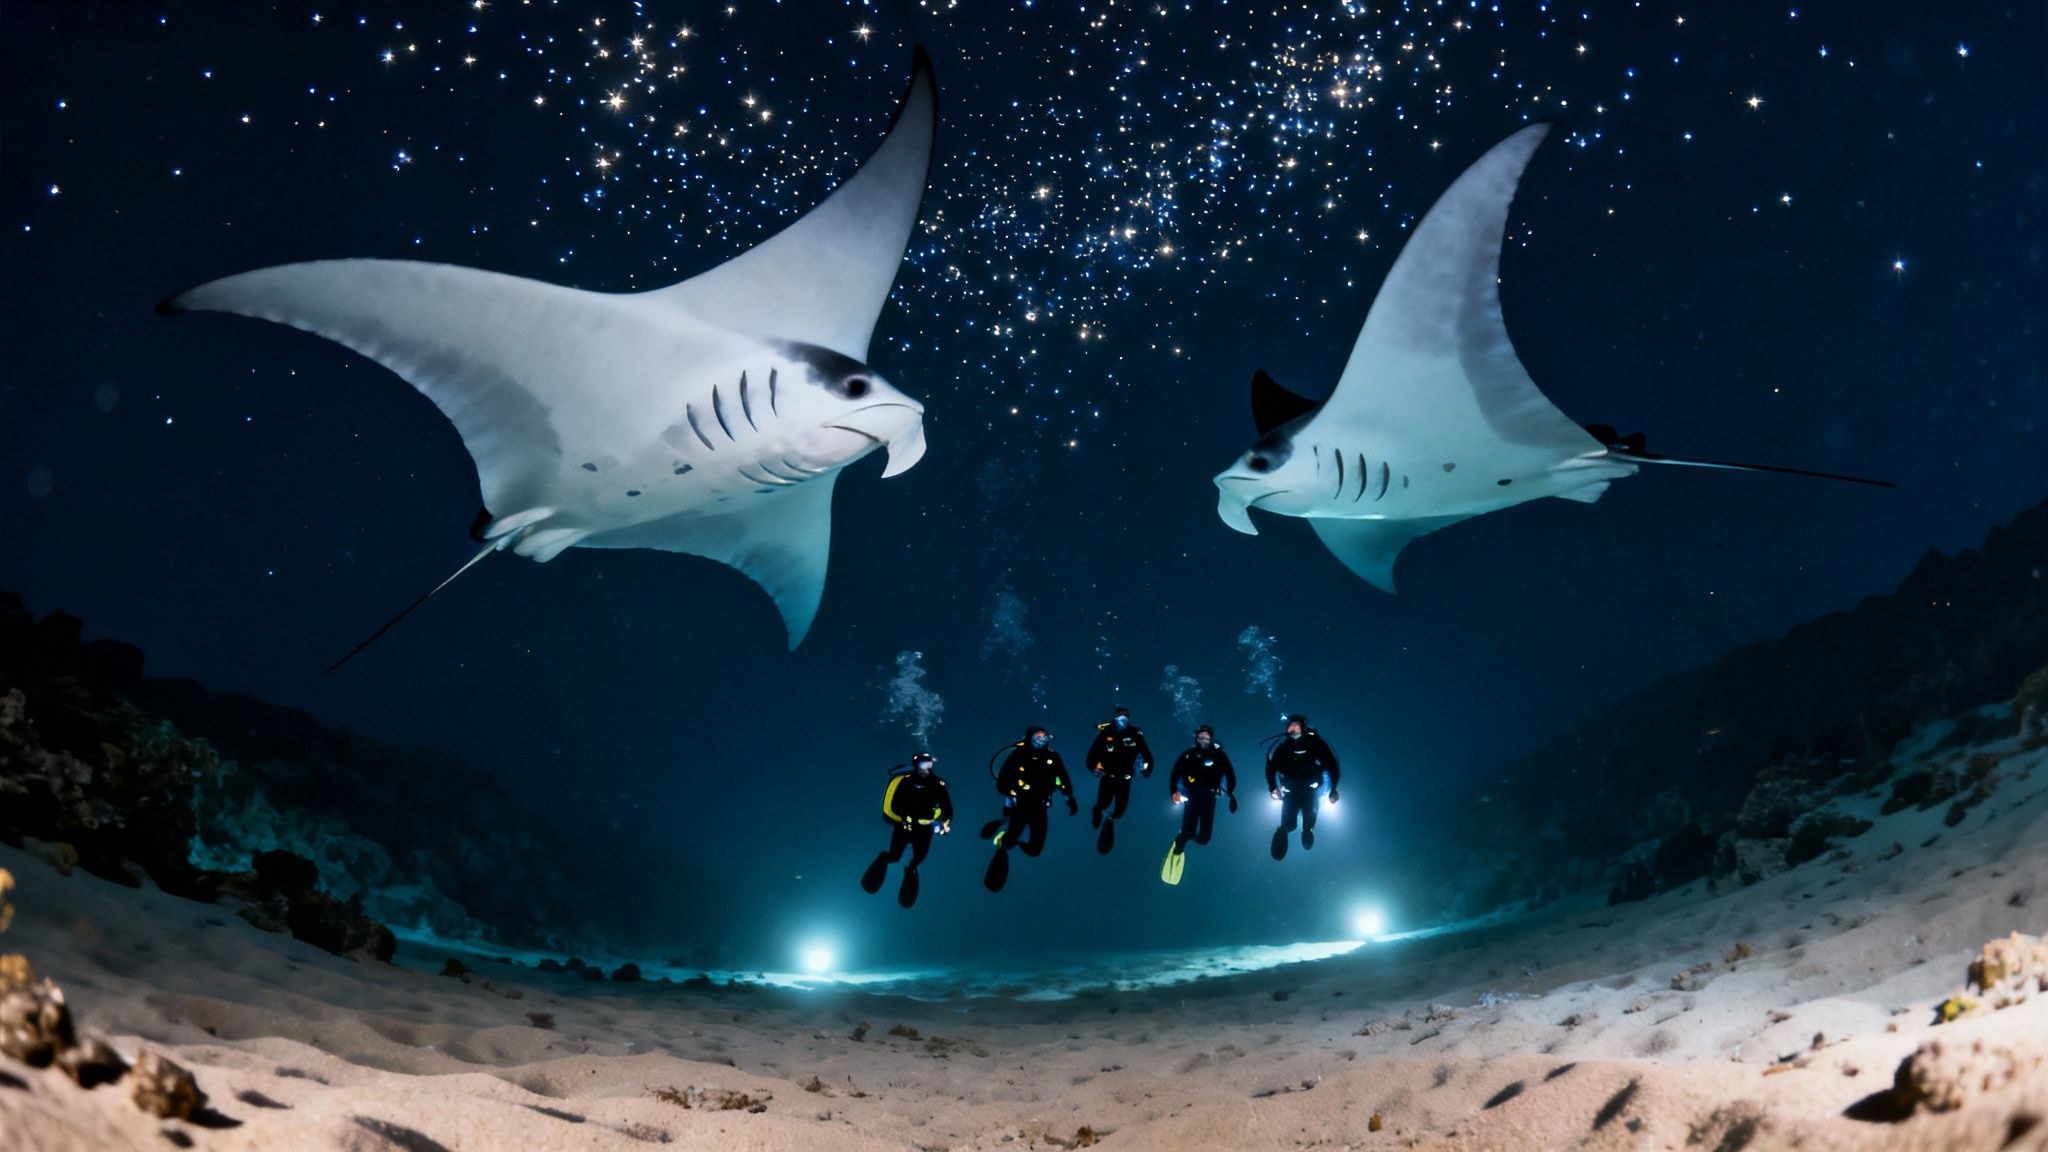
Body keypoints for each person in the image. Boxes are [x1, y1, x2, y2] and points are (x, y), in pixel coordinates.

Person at [981, 726, 1076, 890]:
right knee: (1010, 840)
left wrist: (1069, 797)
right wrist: (1014, 792)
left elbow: (1064, 778)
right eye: (1037, 735)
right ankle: (1004, 841)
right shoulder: (1018, 754)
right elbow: (1002, 783)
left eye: (1044, 735)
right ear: (1029, 737)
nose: (1041, 738)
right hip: (1022, 804)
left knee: (1034, 850)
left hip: (1040, 806)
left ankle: (1009, 837)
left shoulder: (1053, 757)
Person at [860, 751, 952, 908]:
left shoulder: (937, 785)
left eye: (929, 763)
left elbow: (948, 808)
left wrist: (945, 823)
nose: (926, 767)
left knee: (918, 858)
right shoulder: (905, 781)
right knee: (894, 856)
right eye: (923, 763)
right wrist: (904, 819)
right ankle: (884, 859)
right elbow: (894, 804)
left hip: (924, 830)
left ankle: (910, 870)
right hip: (904, 827)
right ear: (916, 765)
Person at [1265, 713, 1339, 860]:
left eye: (1296, 725)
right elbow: (1270, 769)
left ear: (1303, 728)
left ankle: (1307, 831)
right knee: (1289, 824)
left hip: (1311, 792)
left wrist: (1333, 789)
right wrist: (1272, 787)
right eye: (1290, 725)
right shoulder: (1282, 749)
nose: (1292, 728)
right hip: (1290, 792)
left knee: (1309, 821)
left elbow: (1333, 767)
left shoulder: (1317, 745)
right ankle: (1283, 831)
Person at [1084, 705, 1154, 852]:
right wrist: (1093, 768)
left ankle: (1109, 820)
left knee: (1120, 811)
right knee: (1103, 803)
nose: (1123, 717)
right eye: (1120, 714)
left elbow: (1148, 755)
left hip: (1125, 779)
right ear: (1115, 716)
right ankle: (1097, 813)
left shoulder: (1135, 734)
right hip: (1107, 777)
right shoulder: (1105, 734)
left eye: (1126, 715)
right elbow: (1091, 756)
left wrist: (1147, 769)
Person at [1169, 724, 1237, 855]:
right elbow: (1174, 775)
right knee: (1187, 831)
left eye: (1206, 738)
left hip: (1210, 798)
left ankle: (1185, 837)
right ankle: (1180, 842)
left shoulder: (1220, 755)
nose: (1203, 740)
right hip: (1191, 796)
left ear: (1211, 739)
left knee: (1204, 839)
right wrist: (1173, 792)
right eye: (1200, 738)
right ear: (1196, 739)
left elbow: (1230, 775)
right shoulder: (1188, 755)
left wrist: (1231, 795)